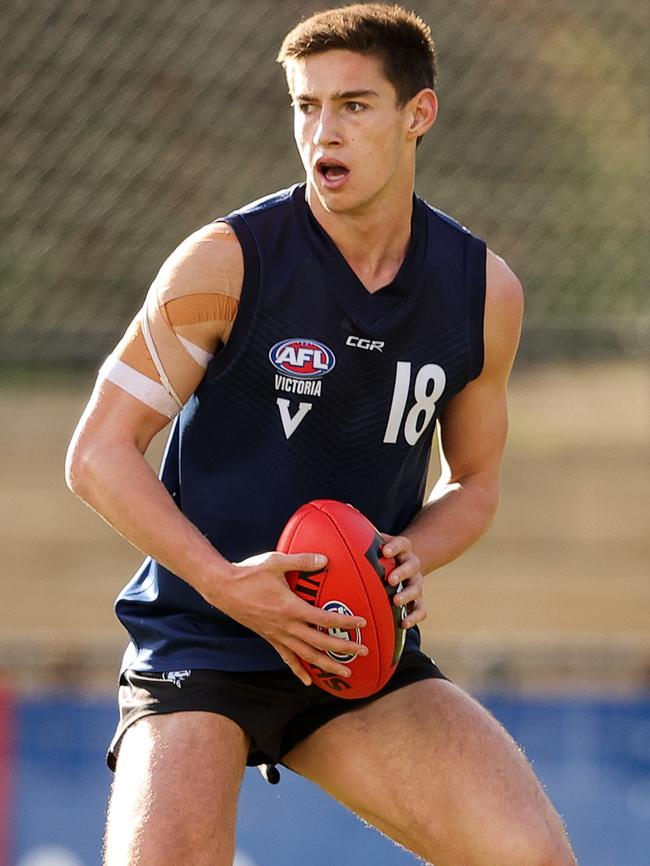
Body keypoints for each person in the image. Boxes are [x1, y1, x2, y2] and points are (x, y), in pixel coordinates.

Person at [66, 5, 577, 865]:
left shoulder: (483, 293)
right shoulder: (226, 261)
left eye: (353, 105)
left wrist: (416, 551)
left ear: (419, 115)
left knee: (528, 854)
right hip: (205, 635)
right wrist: (230, 585)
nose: (322, 131)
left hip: (352, 645)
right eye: (306, 107)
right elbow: (98, 455)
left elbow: (474, 483)